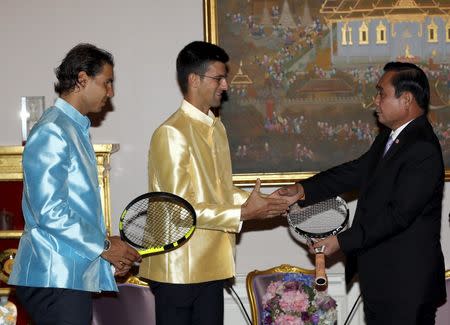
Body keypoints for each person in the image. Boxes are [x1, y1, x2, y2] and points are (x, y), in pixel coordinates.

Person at [138, 41, 301, 325]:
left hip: (212, 266)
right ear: (194, 80)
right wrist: (243, 213)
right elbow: (180, 209)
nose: (225, 85)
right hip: (179, 269)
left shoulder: (217, 127)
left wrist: (264, 202)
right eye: (218, 78)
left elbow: (220, 191)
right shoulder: (171, 133)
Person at [280, 61, 446, 324]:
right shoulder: (390, 137)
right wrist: (303, 189)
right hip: (382, 281)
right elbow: (356, 171)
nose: (375, 101)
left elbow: (398, 216)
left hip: (407, 286)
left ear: (406, 100)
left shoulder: (422, 149)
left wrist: (340, 242)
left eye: (381, 93)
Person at [8, 43, 141, 324]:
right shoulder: (53, 130)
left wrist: (105, 256)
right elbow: (50, 211)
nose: (111, 92)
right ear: (82, 79)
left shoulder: (73, 128)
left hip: (65, 275)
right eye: (107, 83)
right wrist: (105, 246)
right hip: (52, 275)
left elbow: (76, 211)